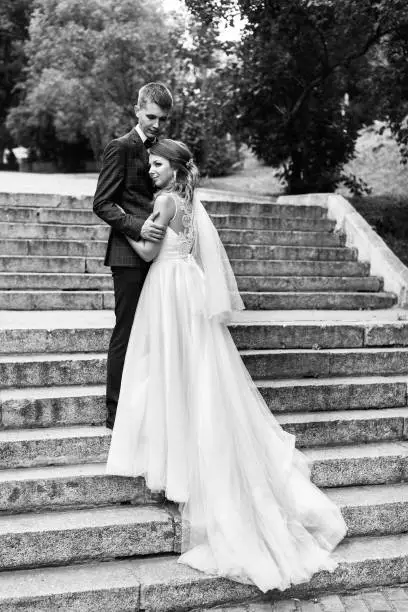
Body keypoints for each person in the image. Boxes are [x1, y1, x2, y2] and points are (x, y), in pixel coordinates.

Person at [106, 139, 347, 592]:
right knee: (196, 374)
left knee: (168, 371)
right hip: (189, 288)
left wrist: (124, 228)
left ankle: (176, 463)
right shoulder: (192, 201)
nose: (150, 169)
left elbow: (147, 253)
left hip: (167, 290)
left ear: (174, 169)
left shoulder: (163, 200)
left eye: (157, 164)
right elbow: (196, 255)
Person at [93, 82, 173, 429]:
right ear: (137, 110)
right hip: (127, 254)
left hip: (159, 255)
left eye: (162, 119)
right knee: (126, 331)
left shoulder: (164, 150)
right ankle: (115, 412)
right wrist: (138, 226)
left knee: (154, 332)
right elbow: (102, 203)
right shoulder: (120, 147)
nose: (156, 124)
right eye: (151, 116)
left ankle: (147, 405)